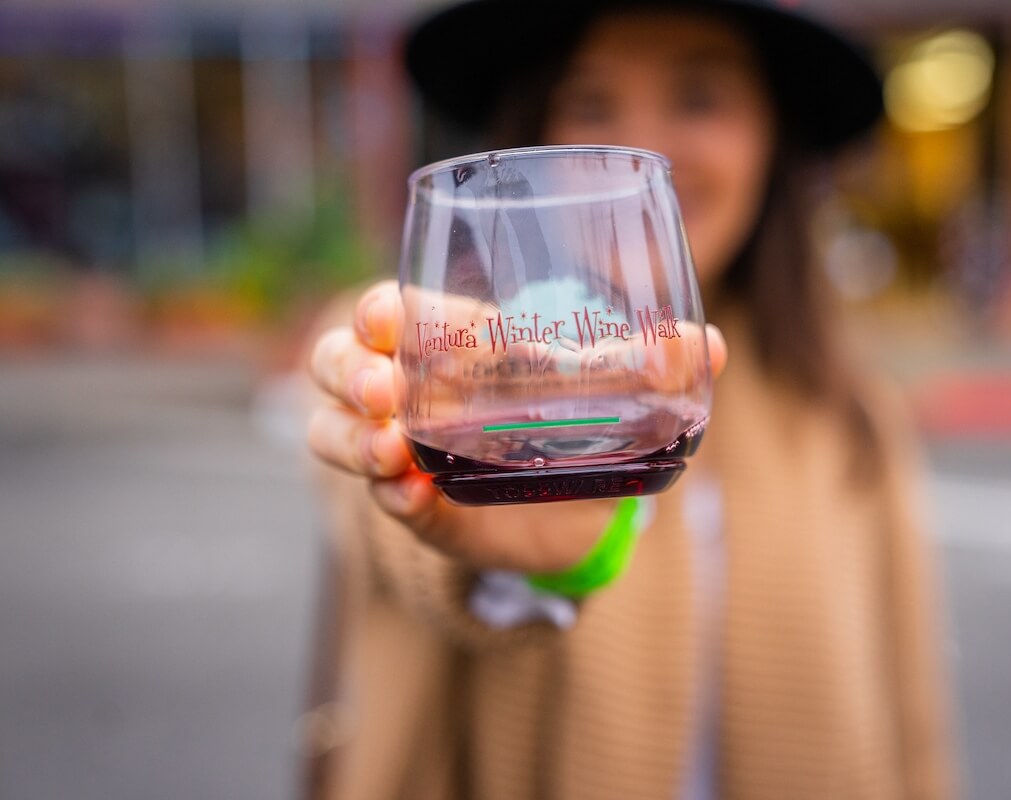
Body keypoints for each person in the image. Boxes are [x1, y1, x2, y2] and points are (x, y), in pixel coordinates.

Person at [306, 1, 956, 797]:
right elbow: (383, 521)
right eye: (590, 102)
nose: (639, 149)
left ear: (770, 138)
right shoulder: (424, 350)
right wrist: (498, 532)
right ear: (533, 131)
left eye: (698, 97)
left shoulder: (852, 413)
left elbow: (912, 731)